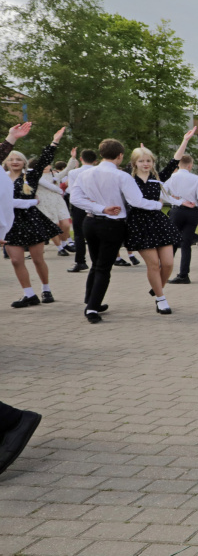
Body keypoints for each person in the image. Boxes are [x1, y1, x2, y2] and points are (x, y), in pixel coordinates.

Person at [69, 138, 165, 323]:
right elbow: (136, 201)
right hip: (112, 224)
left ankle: (91, 301)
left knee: (96, 264)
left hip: (90, 221)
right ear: (120, 156)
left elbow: (75, 198)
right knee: (104, 267)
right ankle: (92, 309)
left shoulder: (85, 174)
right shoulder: (122, 176)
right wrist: (157, 205)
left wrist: (99, 208)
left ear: (101, 153)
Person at [0, 124, 43, 475]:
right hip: (11, 227)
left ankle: (11, 421)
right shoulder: (4, 175)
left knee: (36, 259)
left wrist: (13, 141)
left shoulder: (24, 176)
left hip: (25, 223)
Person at [126, 130, 196, 314]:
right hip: (139, 224)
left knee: (168, 264)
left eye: (148, 160)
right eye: (141, 161)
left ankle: (157, 287)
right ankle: (160, 298)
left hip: (158, 223)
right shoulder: (128, 179)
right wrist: (140, 151)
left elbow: (174, 160)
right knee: (153, 265)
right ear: (134, 163)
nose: (145, 164)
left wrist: (185, 140)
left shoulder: (158, 178)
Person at [5, 126, 67, 308]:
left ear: (24, 163)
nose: (15, 162)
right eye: (11, 159)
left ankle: (46, 289)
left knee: (38, 258)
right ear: (6, 162)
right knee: (16, 260)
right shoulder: (2, 177)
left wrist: (54, 142)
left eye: (18, 159)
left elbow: (43, 161)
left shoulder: (30, 177)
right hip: (10, 222)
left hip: (31, 220)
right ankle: (29, 294)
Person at [164, 154, 198, 284]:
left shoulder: (171, 177)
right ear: (190, 165)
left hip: (177, 211)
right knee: (186, 244)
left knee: (172, 242)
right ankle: (184, 274)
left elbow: (162, 193)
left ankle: (164, 271)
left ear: (178, 164)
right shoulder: (197, 179)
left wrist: (177, 201)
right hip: (192, 212)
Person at [62, 147, 97, 273]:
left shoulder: (74, 173)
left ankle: (80, 261)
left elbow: (71, 190)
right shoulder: (97, 171)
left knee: (79, 235)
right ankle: (97, 261)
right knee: (96, 234)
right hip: (95, 205)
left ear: (81, 159)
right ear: (95, 160)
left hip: (79, 205)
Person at [36, 160, 73, 256]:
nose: (45, 166)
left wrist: (72, 158)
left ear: (50, 166)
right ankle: (60, 248)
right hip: (44, 202)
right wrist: (59, 190)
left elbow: (68, 169)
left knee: (65, 224)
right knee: (53, 225)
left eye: (47, 164)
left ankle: (64, 244)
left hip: (58, 201)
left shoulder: (55, 175)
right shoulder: (36, 176)